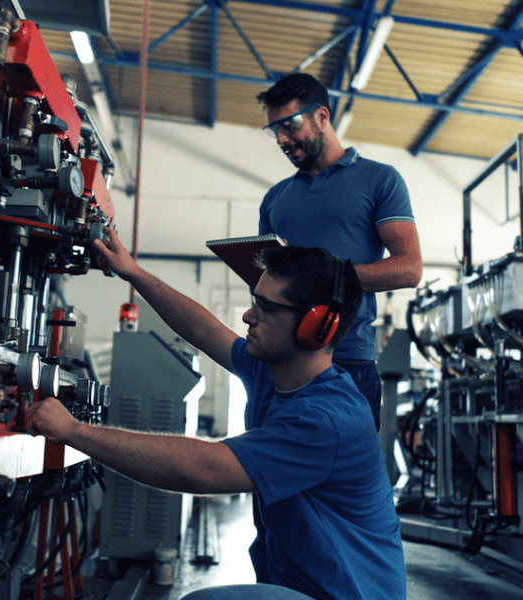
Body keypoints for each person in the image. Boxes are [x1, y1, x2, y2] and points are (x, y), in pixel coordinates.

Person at [24, 227, 407, 600]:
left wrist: (73, 431)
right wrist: (132, 272)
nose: (248, 317)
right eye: (255, 301)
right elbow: (206, 331)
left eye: (267, 308)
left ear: (317, 329)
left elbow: (202, 469)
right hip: (304, 583)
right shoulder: (274, 369)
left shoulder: (327, 418)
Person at [256, 72, 423, 431]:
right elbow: (262, 279)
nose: (282, 139)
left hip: (347, 363)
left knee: (346, 484)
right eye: (274, 131)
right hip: (281, 364)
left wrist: (323, 280)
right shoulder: (275, 199)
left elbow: (409, 269)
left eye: (289, 124)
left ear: (322, 117)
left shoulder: (380, 180)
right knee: (274, 482)